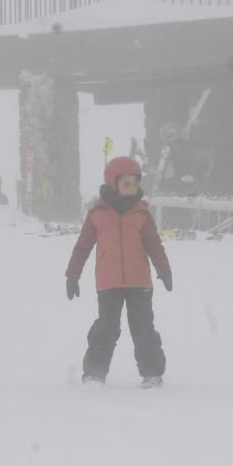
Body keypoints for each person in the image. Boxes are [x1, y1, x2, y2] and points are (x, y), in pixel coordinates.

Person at [65, 156, 172, 389]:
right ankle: (94, 373)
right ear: (113, 183)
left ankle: (152, 373)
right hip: (108, 282)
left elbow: (154, 244)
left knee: (143, 327)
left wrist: (163, 268)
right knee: (106, 327)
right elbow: (83, 246)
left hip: (139, 281)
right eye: (125, 184)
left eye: (134, 184)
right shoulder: (98, 213)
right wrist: (72, 275)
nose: (130, 189)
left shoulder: (142, 213)